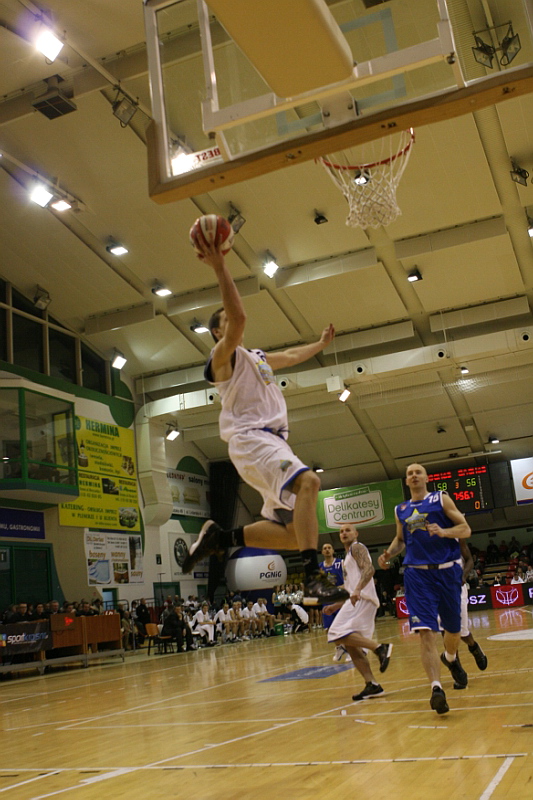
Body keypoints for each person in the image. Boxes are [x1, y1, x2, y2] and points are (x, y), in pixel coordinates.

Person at [180, 240, 348, 607]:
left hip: (271, 443)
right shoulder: (222, 358)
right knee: (309, 481)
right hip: (252, 439)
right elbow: (238, 318)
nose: (236, 321)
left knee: (293, 534)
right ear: (217, 333)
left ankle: (221, 539)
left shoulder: (255, 357)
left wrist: (319, 345)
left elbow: (289, 355)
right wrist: (219, 266)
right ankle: (313, 576)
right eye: (227, 320)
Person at [378, 463, 471, 715]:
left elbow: (465, 529)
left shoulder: (441, 499)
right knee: (426, 632)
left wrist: (444, 532)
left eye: (418, 472)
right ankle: (436, 689)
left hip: (447, 570)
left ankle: (450, 658)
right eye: (410, 473)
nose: (414, 475)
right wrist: (388, 554)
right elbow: (400, 540)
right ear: (406, 481)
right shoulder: (401, 509)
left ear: (427, 478)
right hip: (417, 575)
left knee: (453, 630)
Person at [324, 524, 393, 701]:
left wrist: (357, 590)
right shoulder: (347, 557)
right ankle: (372, 684)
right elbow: (350, 588)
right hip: (357, 599)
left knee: (336, 632)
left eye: (348, 530)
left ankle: (379, 648)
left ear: (356, 533)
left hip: (363, 598)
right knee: (351, 645)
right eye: (341, 531)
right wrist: (336, 606)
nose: (344, 533)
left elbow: (369, 569)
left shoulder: (357, 547)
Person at [454, 540, 488, 683]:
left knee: (462, 632)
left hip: (457, 587)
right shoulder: (427, 538)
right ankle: (457, 669)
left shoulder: (456, 535)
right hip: (437, 588)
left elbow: (469, 560)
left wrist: (463, 576)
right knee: (447, 631)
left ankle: (473, 646)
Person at [319, 542, 348, 662]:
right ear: (322, 552)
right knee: (330, 629)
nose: (327, 550)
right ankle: (340, 647)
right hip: (327, 600)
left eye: (329, 548)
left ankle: (351, 650)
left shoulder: (341, 563)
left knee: (344, 627)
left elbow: (348, 581)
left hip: (340, 599)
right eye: (324, 548)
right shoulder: (320, 567)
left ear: (333, 550)